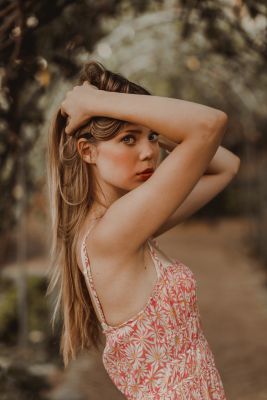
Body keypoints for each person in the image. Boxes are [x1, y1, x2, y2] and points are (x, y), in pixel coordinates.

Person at [47, 60, 240, 399]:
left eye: (151, 137)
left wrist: (137, 120)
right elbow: (209, 124)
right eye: (128, 140)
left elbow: (225, 167)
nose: (149, 152)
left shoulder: (125, 227)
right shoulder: (115, 232)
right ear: (87, 151)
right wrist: (93, 103)